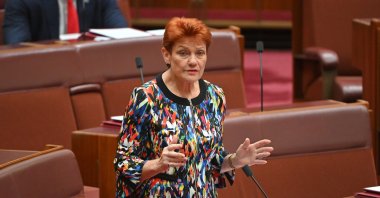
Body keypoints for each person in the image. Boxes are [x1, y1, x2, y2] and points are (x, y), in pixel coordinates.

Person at [114, 17, 274, 197]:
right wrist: (158, 164)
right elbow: (123, 163)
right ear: (166, 54)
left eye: (200, 53)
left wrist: (235, 161)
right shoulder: (145, 98)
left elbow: (210, 161)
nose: (193, 61)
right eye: (183, 53)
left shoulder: (214, 96)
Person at [3, 0, 128, 45]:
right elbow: (17, 49)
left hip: (92, 76)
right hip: (47, 80)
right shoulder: (22, 2)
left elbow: (122, 36)